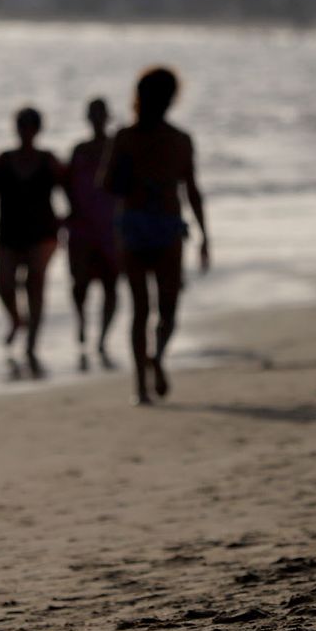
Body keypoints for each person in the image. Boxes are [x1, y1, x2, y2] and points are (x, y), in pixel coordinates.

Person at [103, 67, 210, 405]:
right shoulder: (177, 140)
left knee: (141, 310)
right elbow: (192, 191)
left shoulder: (126, 137)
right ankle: (153, 363)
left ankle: (143, 382)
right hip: (163, 225)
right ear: (171, 99)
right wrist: (206, 234)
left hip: (136, 224)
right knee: (165, 310)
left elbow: (106, 185)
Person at [0, 107, 64, 378]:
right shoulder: (4, 160)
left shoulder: (48, 160)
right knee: (4, 284)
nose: (26, 129)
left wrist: (73, 222)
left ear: (37, 129)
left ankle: (32, 345)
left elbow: (70, 191)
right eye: (22, 124)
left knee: (35, 286)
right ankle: (15, 319)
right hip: (8, 232)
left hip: (41, 233)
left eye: (30, 125)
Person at [65, 98, 121, 369]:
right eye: (93, 114)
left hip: (111, 228)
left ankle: (102, 337)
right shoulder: (80, 150)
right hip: (82, 227)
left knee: (111, 285)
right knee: (79, 285)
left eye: (101, 114)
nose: (97, 119)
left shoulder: (115, 148)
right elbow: (66, 185)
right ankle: (82, 323)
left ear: (107, 117)